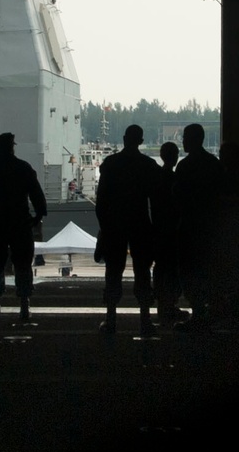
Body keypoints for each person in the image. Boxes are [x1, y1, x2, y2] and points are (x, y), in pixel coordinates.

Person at [93, 125, 161, 334]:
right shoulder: (148, 165)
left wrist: (104, 228)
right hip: (140, 222)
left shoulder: (111, 164)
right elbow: (156, 201)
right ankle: (145, 320)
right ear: (140, 141)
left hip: (115, 224)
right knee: (142, 271)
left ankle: (111, 319)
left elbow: (102, 201)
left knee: (113, 271)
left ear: (124, 139)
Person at [0, 132, 46, 323]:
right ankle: (24, 305)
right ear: (12, 147)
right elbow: (36, 194)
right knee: (22, 264)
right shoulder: (23, 167)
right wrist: (38, 215)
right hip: (19, 222)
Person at [173, 123, 226, 331]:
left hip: (189, 226)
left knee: (189, 271)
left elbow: (177, 197)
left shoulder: (185, 167)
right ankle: (211, 310)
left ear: (193, 139)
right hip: (210, 227)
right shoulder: (213, 164)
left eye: (185, 137)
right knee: (208, 270)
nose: (183, 141)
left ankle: (197, 313)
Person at [152, 141, 188, 325]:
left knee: (160, 269)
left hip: (158, 230)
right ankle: (171, 305)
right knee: (173, 270)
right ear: (175, 157)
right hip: (174, 230)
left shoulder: (156, 179)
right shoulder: (176, 180)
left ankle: (161, 305)